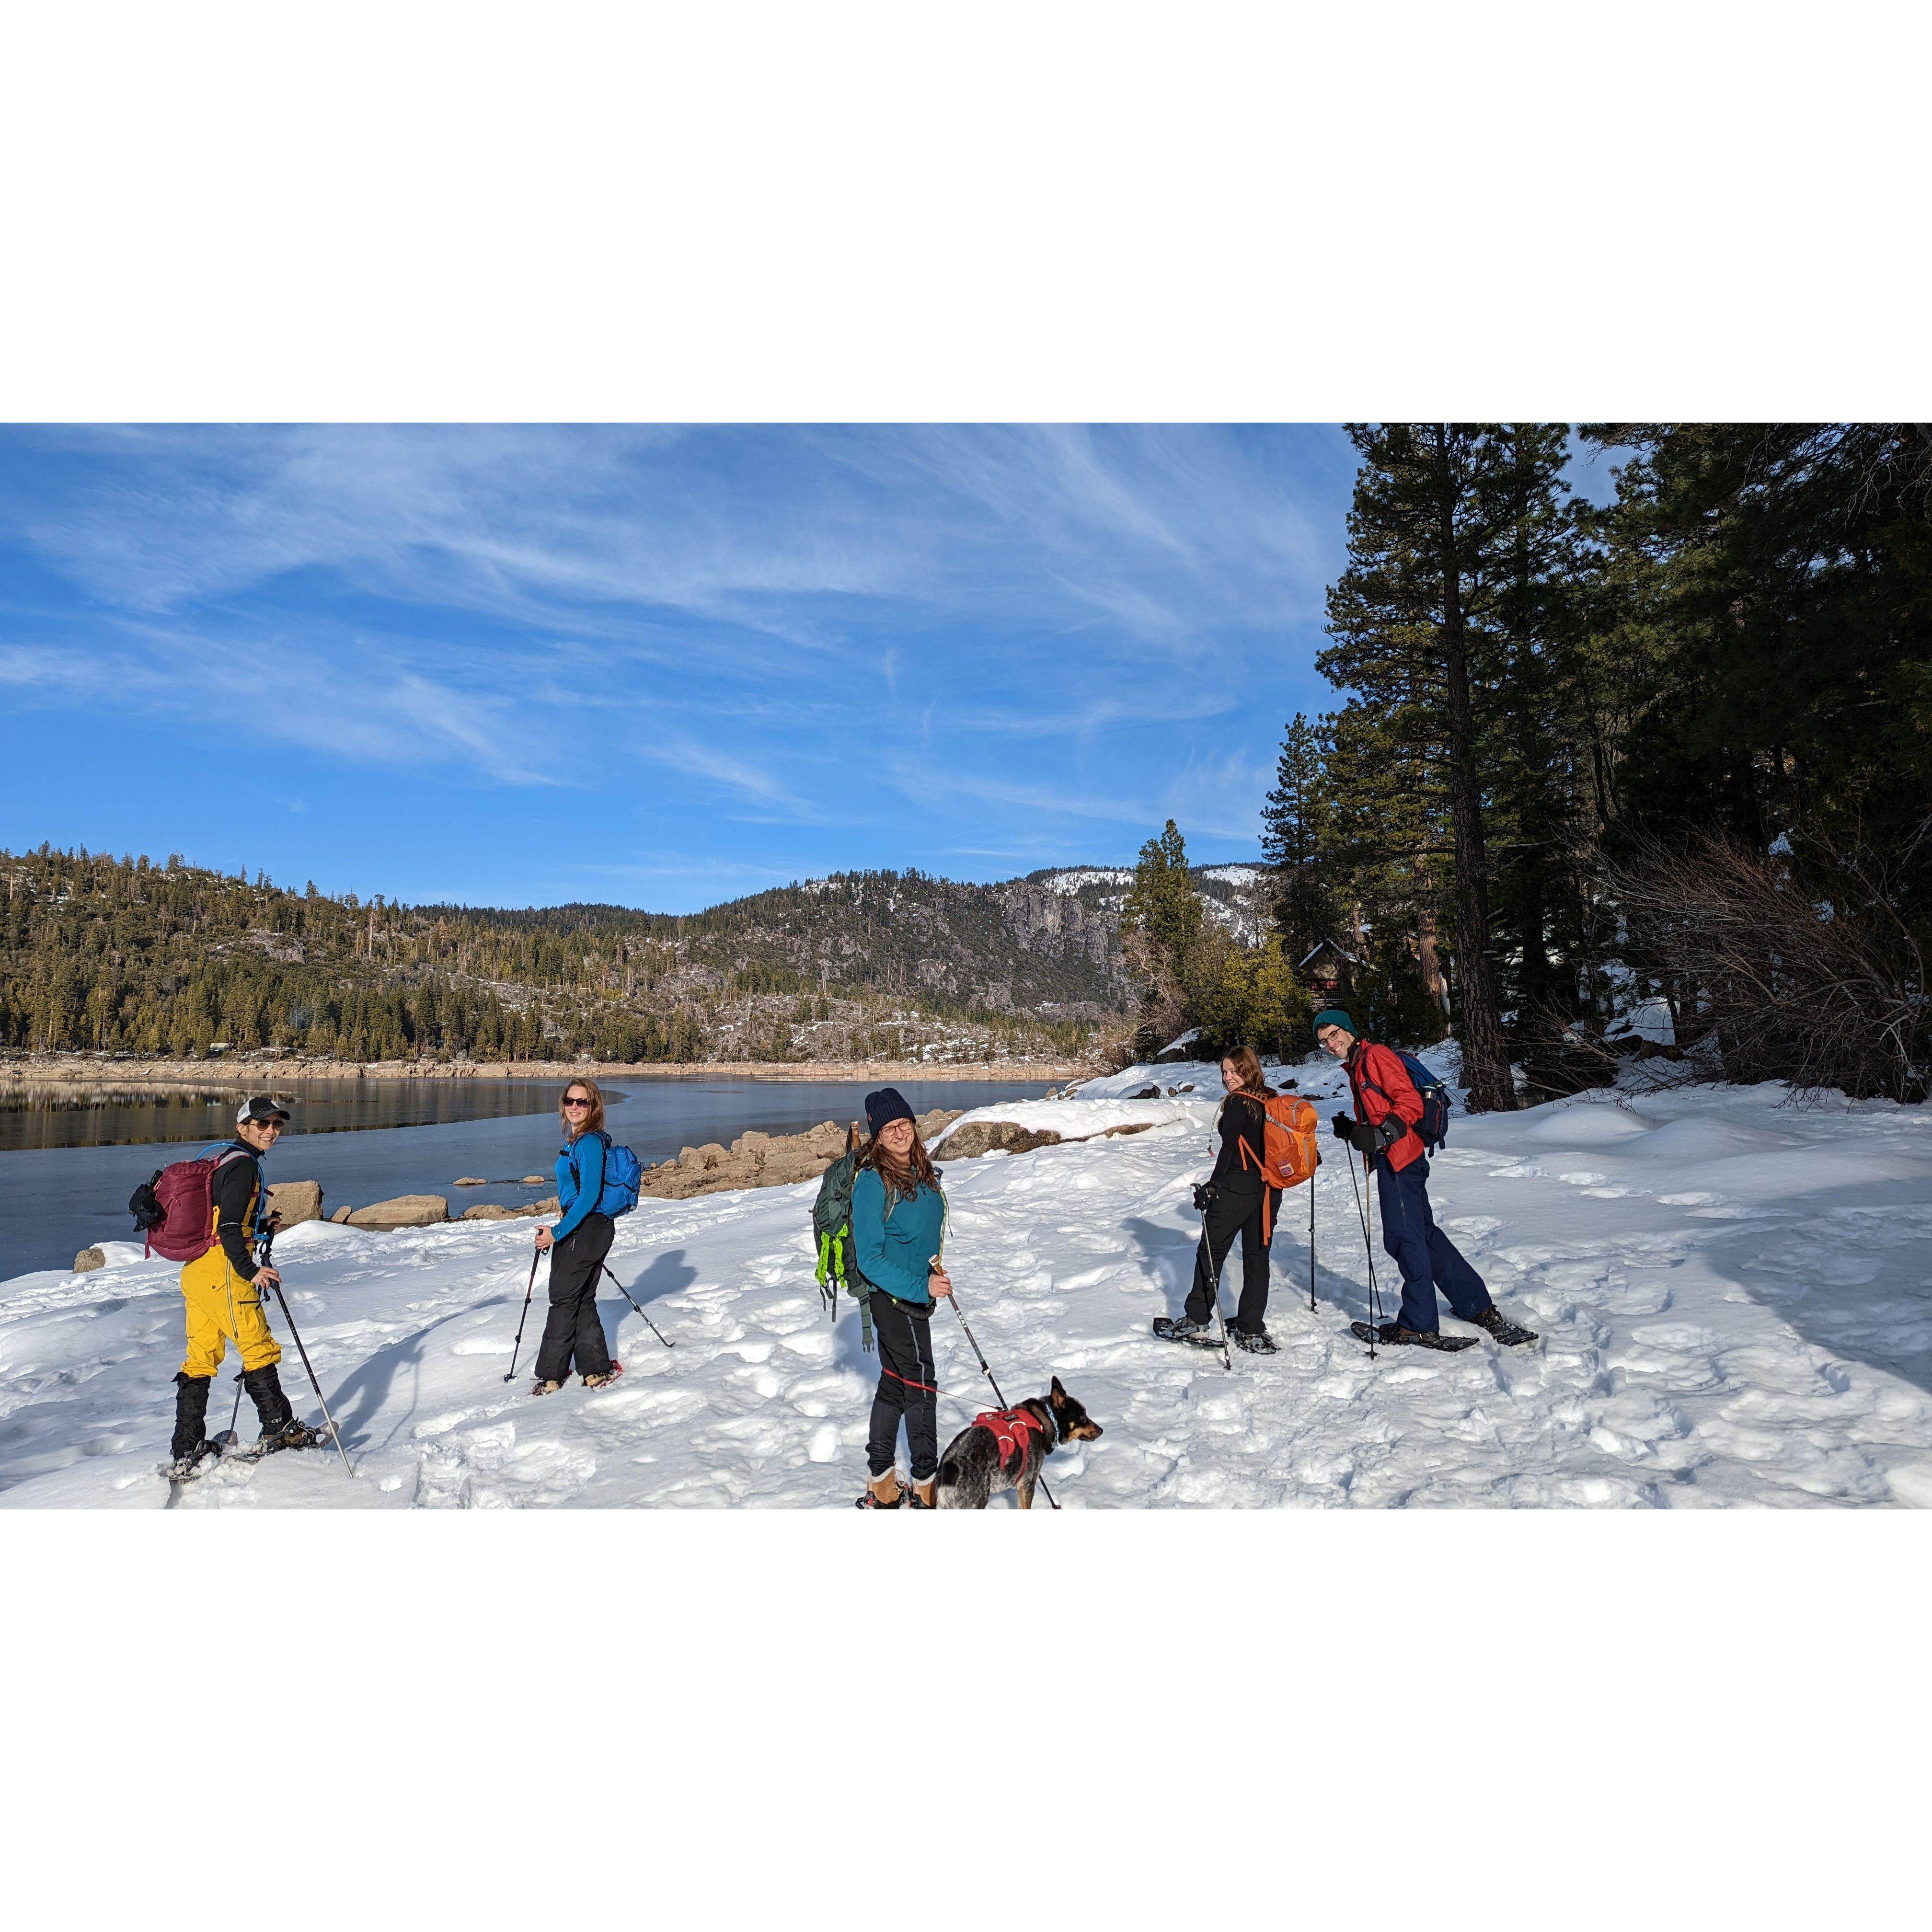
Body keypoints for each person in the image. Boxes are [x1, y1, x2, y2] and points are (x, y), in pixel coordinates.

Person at [1316, 1008, 1537, 1349]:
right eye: (1323, 1042)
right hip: (1403, 1158)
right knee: (1424, 1235)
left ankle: (1418, 1325)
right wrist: (1356, 1132)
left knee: (1405, 1240)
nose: (1330, 1044)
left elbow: (1409, 1103)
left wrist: (1383, 1136)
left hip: (1400, 1162)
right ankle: (1476, 1305)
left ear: (1348, 1030)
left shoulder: (1375, 1056)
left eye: (1333, 1035)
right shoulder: (1359, 1064)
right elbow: (1384, 1109)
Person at [167, 1096, 319, 1475]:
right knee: (257, 1346)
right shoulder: (243, 1165)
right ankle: (280, 1430)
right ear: (242, 1127)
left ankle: (187, 1447)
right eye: (262, 1125)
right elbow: (229, 1226)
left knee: (201, 1355)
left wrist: (260, 1225)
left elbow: (228, 1218)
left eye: (276, 1125)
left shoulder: (224, 1160)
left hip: (199, 1271)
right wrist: (250, 1270)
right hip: (225, 1273)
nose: (270, 1131)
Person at [851, 1087, 952, 1509]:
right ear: (876, 1135)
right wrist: (920, 1286)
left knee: (895, 1385)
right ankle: (927, 1486)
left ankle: (882, 1485)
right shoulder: (872, 1183)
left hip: (915, 1294)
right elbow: (870, 1260)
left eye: (904, 1124)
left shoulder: (921, 1170)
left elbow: (919, 1231)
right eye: (889, 1127)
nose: (898, 1133)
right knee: (921, 1387)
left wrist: (931, 1269)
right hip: (893, 1300)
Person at [1165, 1046, 1282, 1354]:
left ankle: (1196, 1320)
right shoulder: (1270, 1099)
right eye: (1225, 1072)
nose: (1228, 1078)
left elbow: (1230, 1148)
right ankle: (1251, 1328)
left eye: (1235, 1071)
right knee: (1258, 1260)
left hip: (1236, 1190)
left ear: (1249, 1070)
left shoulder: (1238, 1103)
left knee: (1210, 1254)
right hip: (1270, 1191)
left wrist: (1214, 1185)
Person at [531, 1077, 621, 1393]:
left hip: (589, 1229)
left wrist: (556, 1233)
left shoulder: (589, 1143)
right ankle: (595, 1369)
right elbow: (578, 1191)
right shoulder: (576, 1141)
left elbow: (590, 1194)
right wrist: (565, 1211)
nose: (574, 1107)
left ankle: (552, 1375)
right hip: (586, 1225)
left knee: (562, 1298)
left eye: (581, 1102)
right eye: (569, 1101)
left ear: (593, 1107)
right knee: (581, 1298)